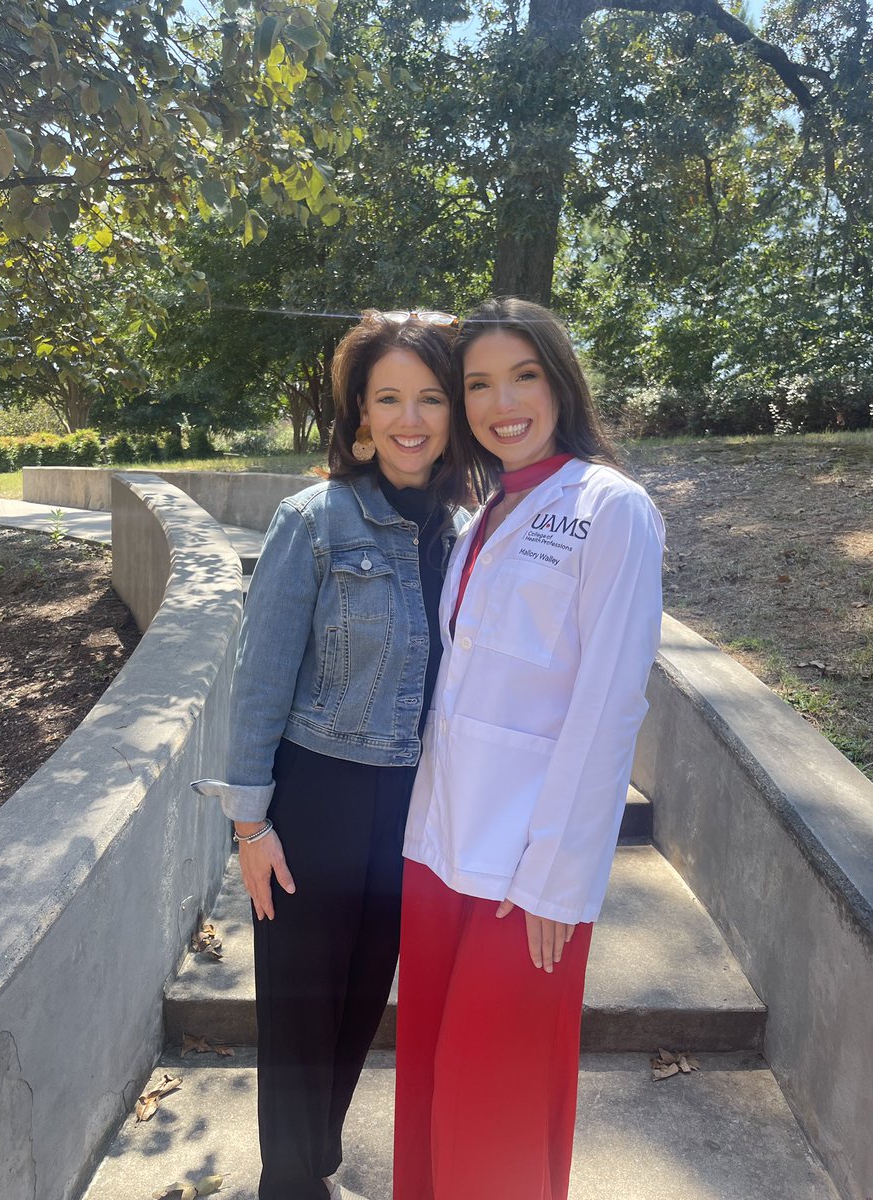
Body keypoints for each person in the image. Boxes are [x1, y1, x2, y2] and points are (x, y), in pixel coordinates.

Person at [393, 297, 665, 1200]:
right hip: (439, 849)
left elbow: (611, 703)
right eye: (477, 383)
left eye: (523, 376)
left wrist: (558, 874)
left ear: (559, 382)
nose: (500, 402)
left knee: (495, 1097)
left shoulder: (610, 508)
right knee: (432, 1081)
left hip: (526, 872)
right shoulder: (484, 513)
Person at [193, 310, 469, 1200]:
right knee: (301, 1017)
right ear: (359, 410)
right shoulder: (315, 520)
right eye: (388, 397)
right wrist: (250, 825)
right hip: (317, 801)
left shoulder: (468, 534)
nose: (410, 418)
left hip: (411, 811)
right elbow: (261, 677)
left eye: (430, 397)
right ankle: (289, 1183)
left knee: (356, 1011)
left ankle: (311, 1164)